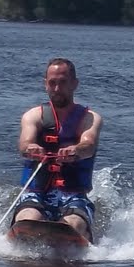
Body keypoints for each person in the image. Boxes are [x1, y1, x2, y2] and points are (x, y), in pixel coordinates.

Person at [14, 57, 103, 240]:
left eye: (62, 83)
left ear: (74, 84)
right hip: (36, 194)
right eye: (52, 83)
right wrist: (31, 148)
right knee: (29, 218)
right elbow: (24, 143)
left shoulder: (90, 118)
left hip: (73, 195)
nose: (56, 89)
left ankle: (75, 238)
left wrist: (77, 150)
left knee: (74, 224)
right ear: (45, 84)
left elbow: (89, 144)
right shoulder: (33, 116)